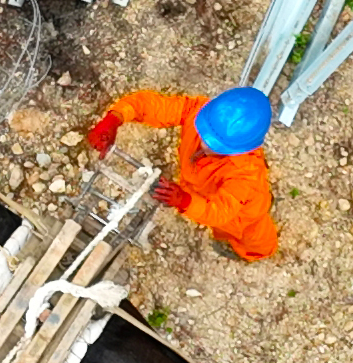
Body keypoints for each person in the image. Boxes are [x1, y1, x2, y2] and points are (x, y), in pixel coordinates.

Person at [87, 82, 283, 261]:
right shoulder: (198, 111)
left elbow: (220, 212)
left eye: (217, 146)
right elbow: (153, 106)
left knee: (250, 234)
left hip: (241, 212)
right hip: (202, 187)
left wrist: (186, 202)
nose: (204, 145)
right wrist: (115, 118)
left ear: (242, 149)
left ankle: (257, 253)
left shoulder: (246, 175)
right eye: (204, 134)